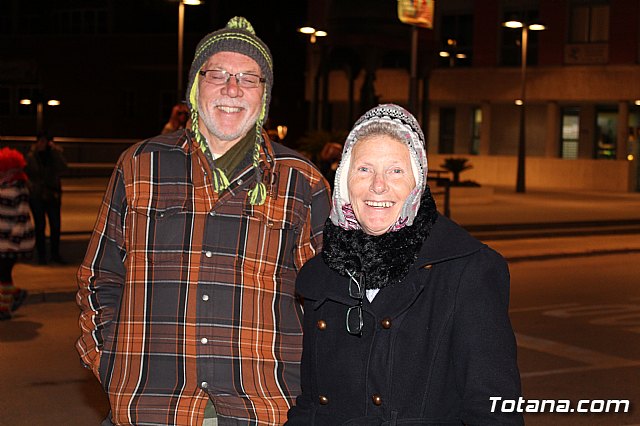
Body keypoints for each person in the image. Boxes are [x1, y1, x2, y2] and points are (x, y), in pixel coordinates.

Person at [76, 16, 331, 426]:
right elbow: (99, 278)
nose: (233, 89)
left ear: (263, 97)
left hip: (262, 408)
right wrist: (109, 360)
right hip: (153, 408)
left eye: (249, 78)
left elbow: (327, 300)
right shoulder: (141, 166)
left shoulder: (301, 180)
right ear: (196, 86)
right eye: (219, 75)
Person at [286, 104, 524, 425]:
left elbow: (494, 410)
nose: (378, 185)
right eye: (364, 169)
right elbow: (313, 405)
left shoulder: (466, 271)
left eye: (396, 170)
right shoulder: (324, 273)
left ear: (418, 182)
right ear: (344, 179)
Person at [0, 147, 34, 320]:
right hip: (3, 239)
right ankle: (16, 293)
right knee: (3, 274)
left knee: (4, 274)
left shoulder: (19, 189)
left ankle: (4, 308)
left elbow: (22, 217)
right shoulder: (4, 186)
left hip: (11, 242)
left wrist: (13, 242)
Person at [24, 132, 68, 265]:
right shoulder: (31, 156)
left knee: (55, 225)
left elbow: (63, 167)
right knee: (40, 225)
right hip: (37, 195)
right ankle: (41, 255)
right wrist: (32, 187)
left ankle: (55, 254)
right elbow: (26, 173)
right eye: (39, 141)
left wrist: (56, 151)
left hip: (52, 194)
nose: (41, 144)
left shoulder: (54, 156)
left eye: (44, 141)